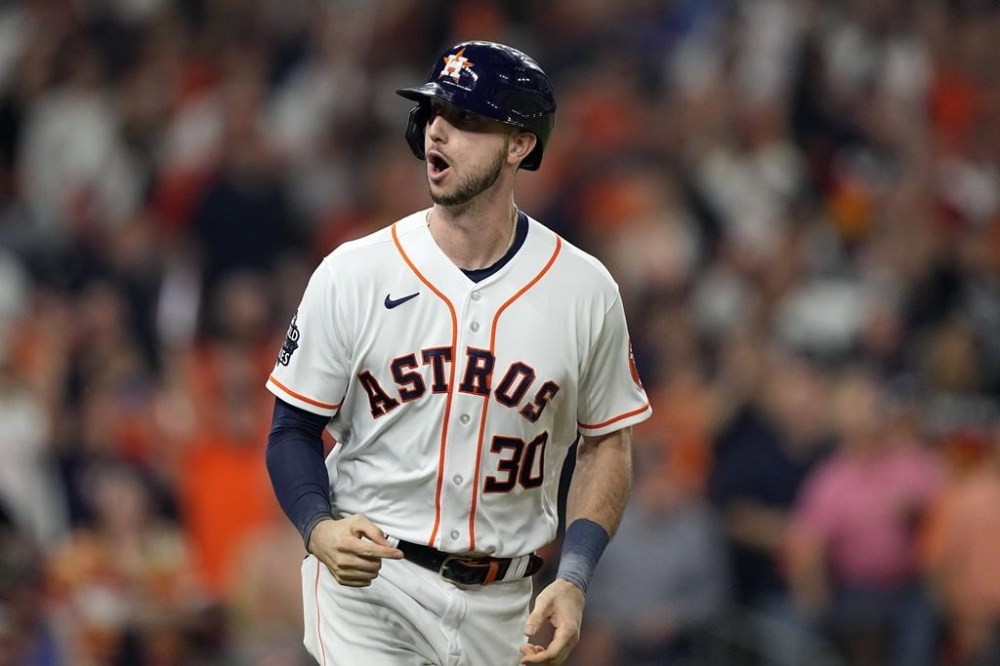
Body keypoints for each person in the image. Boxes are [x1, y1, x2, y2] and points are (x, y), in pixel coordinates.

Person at [264, 40, 650, 666]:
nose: (439, 130)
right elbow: (291, 430)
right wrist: (318, 526)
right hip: (372, 585)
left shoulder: (585, 291)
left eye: (468, 118)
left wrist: (575, 577)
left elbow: (607, 442)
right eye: (435, 113)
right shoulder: (353, 273)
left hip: (506, 604)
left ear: (520, 145)